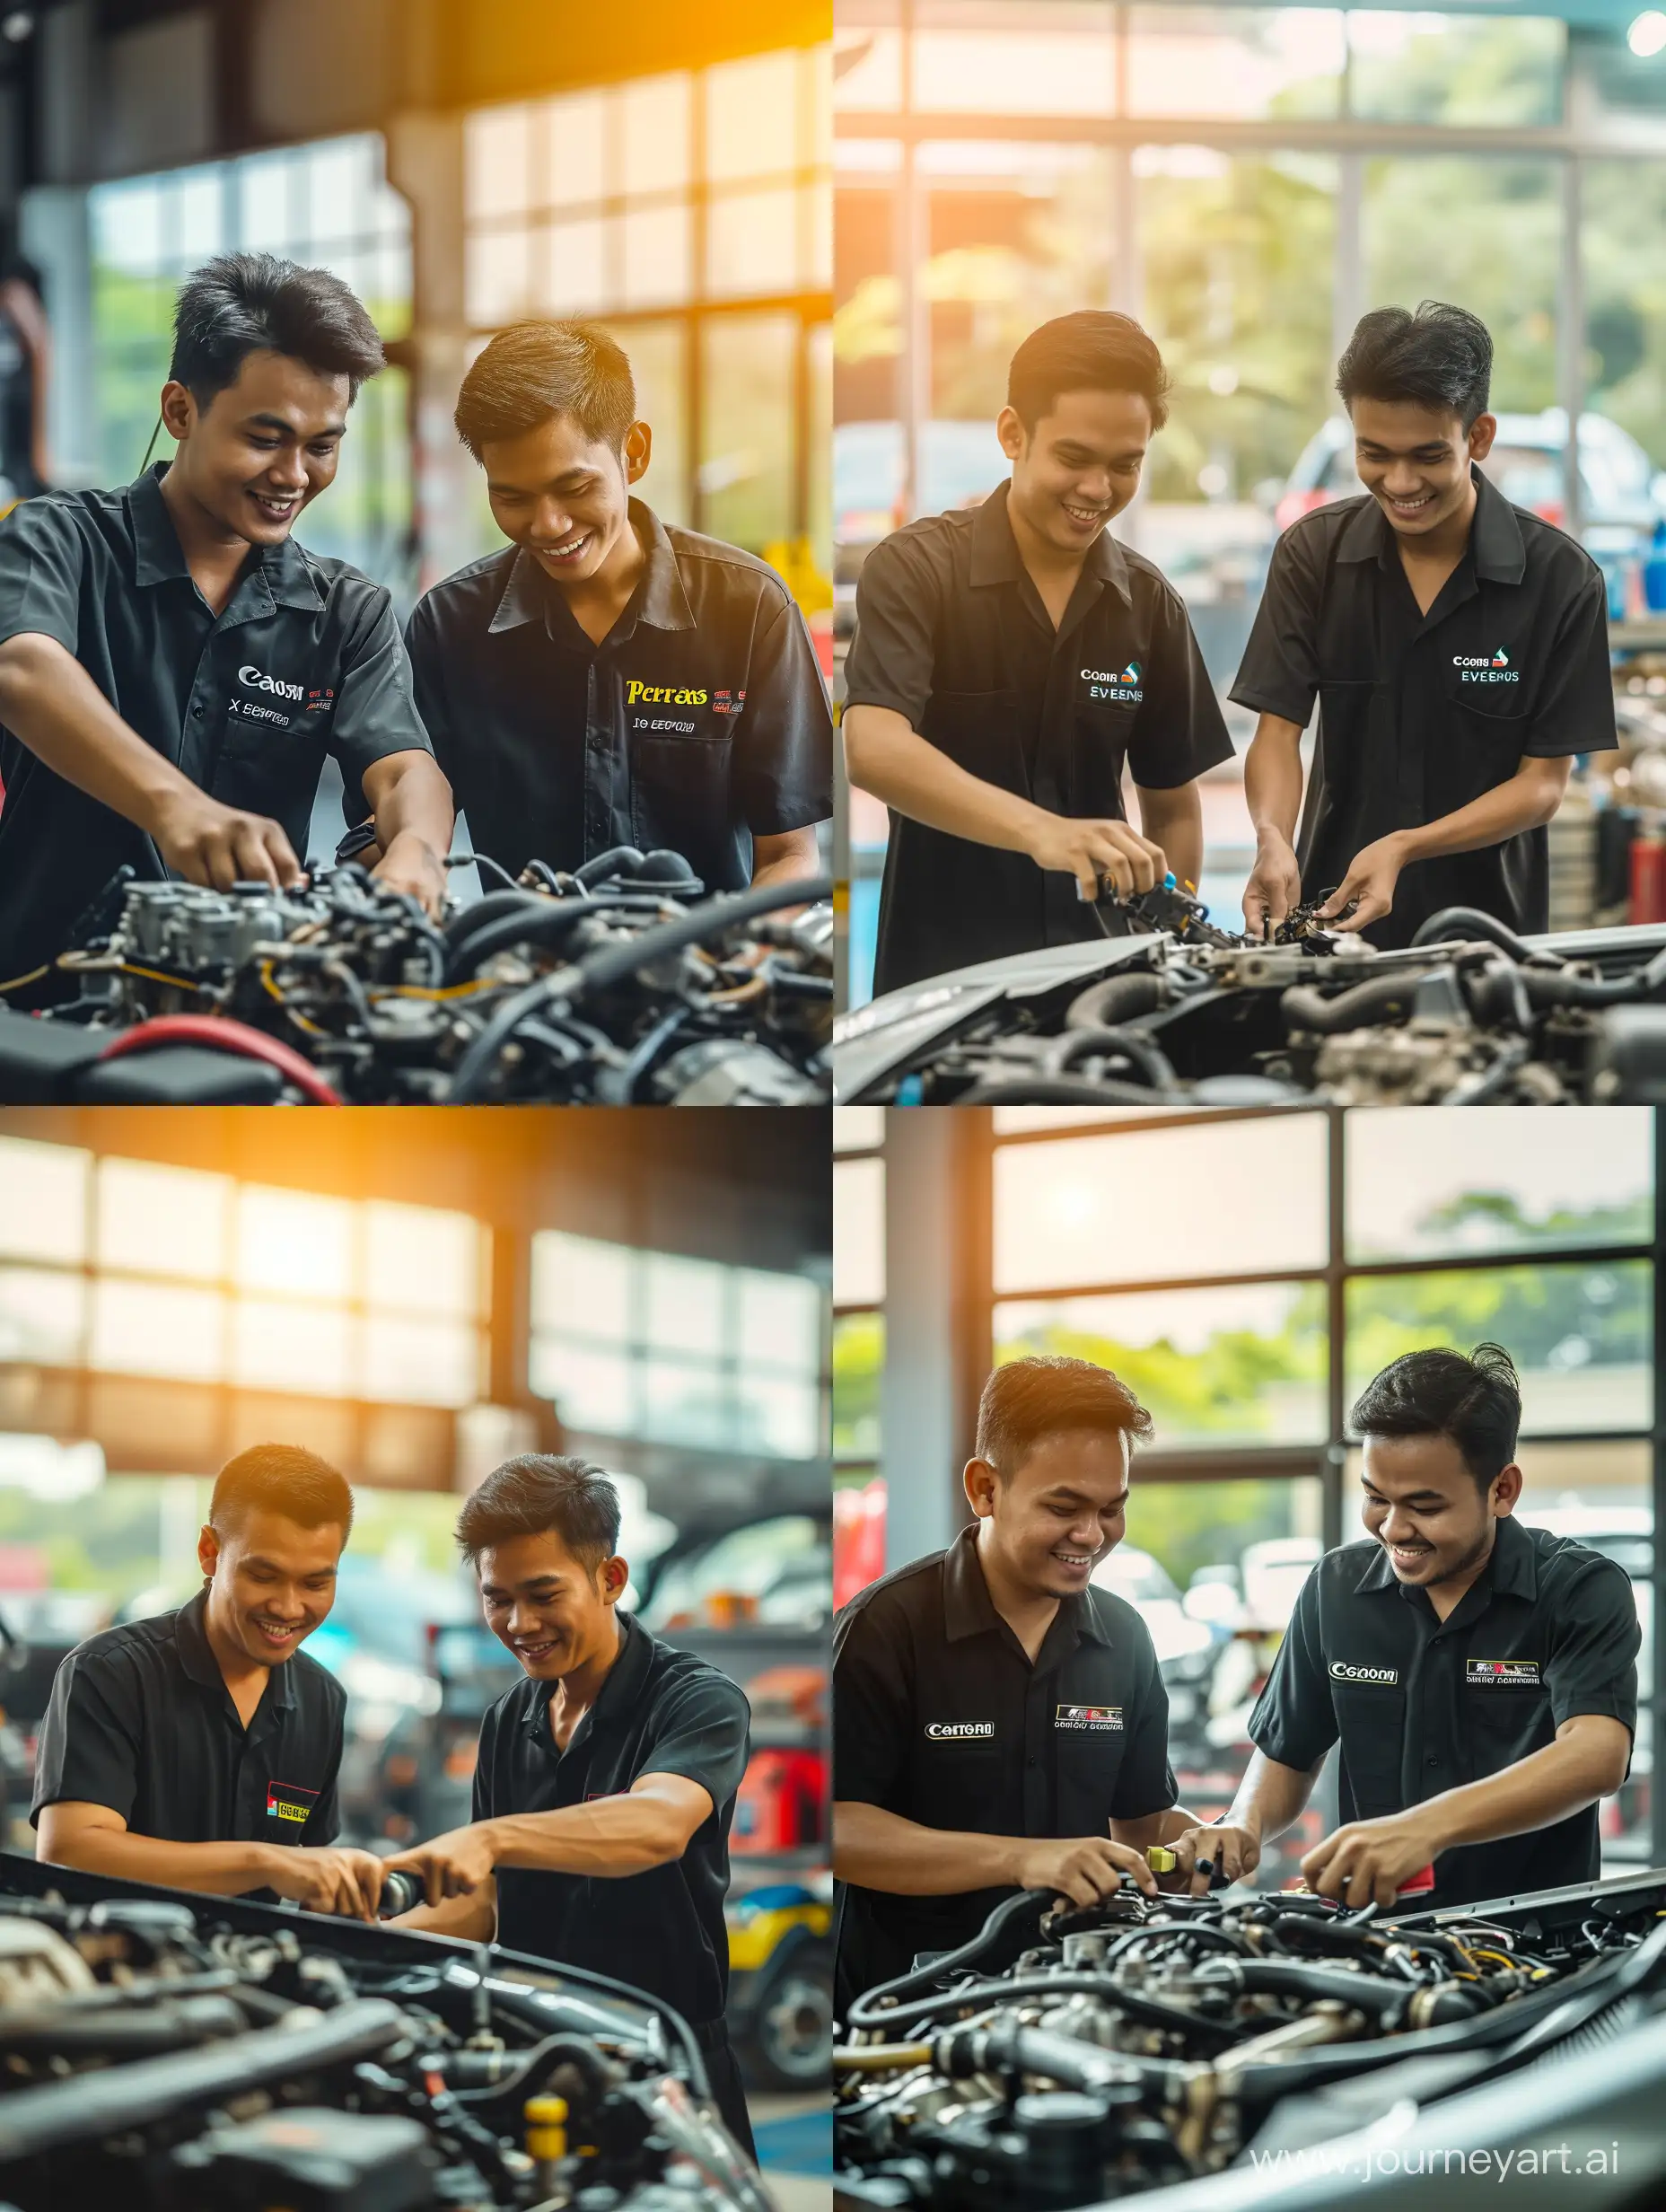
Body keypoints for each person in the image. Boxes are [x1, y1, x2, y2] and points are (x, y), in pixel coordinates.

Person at [0, 251, 453, 1006]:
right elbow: (21, 670)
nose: (294, 475)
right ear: (180, 411)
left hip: (246, 1014)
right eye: (265, 436)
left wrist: (419, 852)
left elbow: (406, 771)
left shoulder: (347, 613)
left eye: (322, 445)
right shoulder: (56, 542)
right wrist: (176, 807)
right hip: (38, 1002)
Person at [841, 311, 1235, 998]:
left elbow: (1172, 805)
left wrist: (1168, 945)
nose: (1097, 490)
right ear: (1012, 434)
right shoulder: (915, 569)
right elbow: (873, 747)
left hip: (1106, 983)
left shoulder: (1149, 605)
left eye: (1125, 465)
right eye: (1074, 459)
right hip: (943, 979)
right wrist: (1044, 834)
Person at [1169, 1345, 1638, 1910]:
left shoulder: (1579, 1589)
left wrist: (1423, 1828)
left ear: (1502, 1490)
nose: (1393, 1528)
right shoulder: (1335, 1589)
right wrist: (1243, 1826)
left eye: (1425, 1506)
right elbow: (1288, 1751)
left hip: (1539, 1943)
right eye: (1374, 1498)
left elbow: (1596, 1755)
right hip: (1377, 1937)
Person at [384, 1455, 757, 2157]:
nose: (519, 1622)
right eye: (497, 1598)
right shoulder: (507, 1721)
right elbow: (484, 1904)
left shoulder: (695, 1701)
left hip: (664, 2055)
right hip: (534, 2050)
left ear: (610, 1578)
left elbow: (656, 1826)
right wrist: (376, 1929)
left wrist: (492, 1840)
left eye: (543, 1594)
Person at [831, 1356, 1211, 2012]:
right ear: (985, 1489)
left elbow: (1140, 1823)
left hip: (1075, 1999)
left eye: (1112, 1510)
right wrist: (1022, 1859)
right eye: (1064, 1508)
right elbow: (838, 1829)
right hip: (903, 2008)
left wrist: (1197, 1841)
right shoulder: (884, 1629)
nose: (1091, 1536)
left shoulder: (1125, 1638)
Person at [1235, 301, 1617, 950]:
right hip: (1330, 933)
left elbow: (1543, 786)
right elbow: (1278, 732)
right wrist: (1273, 839)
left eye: (1427, 455)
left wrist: (1407, 847)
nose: (1400, 482)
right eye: (1374, 454)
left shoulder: (1560, 579)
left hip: (1490, 941)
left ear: (1479, 438)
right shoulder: (1313, 556)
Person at [404, 320, 829, 899]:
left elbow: (790, 857)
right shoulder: (450, 626)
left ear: (634, 452)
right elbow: (412, 825)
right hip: (523, 973)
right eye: (512, 497)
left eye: (574, 488)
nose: (548, 525)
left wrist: (740, 961)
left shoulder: (750, 608)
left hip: (707, 973)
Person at [33, 1444, 388, 1919]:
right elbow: (70, 1853)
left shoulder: (322, 1700)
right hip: (114, 1971)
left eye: (315, 1584)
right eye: (264, 1575)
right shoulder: (110, 1672)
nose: (288, 1607)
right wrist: (266, 1862)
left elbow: (311, 1876)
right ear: (209, 1552)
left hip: (254, 1977)